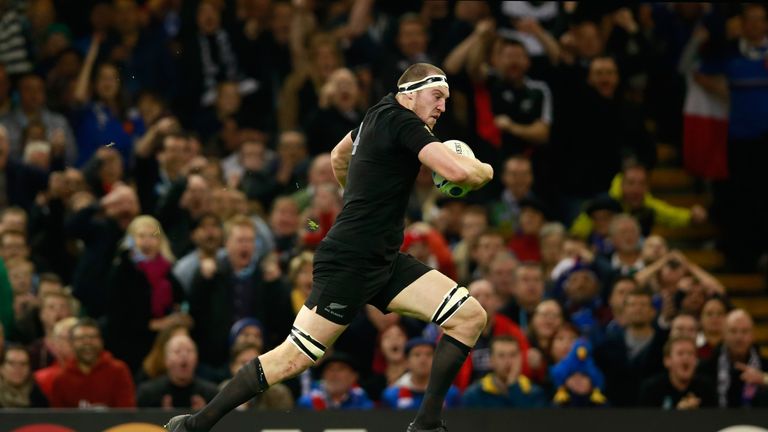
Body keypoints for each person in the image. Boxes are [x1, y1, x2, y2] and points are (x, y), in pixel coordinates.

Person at [165, 63, 493, 432]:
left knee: (468, 317)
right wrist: (484, 169)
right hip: (349, 262)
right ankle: (195, 424)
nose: (443, 107)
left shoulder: (376, 115)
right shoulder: (403, 122)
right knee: (295, 357)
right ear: (411, 93)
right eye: (437, 96)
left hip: (382, 259)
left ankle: (427, 424)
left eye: (447, 100)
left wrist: (354, 196)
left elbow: (339, 155)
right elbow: (461, 173)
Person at [49, 318, 136, 408]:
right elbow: (58, 418)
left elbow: (127, 413)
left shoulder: (118, 371)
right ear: (72, 343)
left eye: (93, 337)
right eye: (81, 338)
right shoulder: (61, 379)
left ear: (102, 341)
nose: (87, 343)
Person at [137, 334, 219, 408]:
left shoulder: (212, 395)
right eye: (177, 351)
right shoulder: (148, 394)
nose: (184, 355)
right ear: (166, 360)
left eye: (189, 351)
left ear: (196, 359)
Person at [462, 335, 546, 408]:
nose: (508, 362)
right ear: (491, 360)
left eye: (513, 355)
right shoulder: (474, 395)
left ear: (521, 358)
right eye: (501, 356)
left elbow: (528, 422)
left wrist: (513, 385)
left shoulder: (534, 393)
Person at [638, 336, 717, 409]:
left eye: (691, 353)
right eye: (680, 353)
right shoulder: (651, 389)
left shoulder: (706, 388)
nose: (686, 358)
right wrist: (678, 413)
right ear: (667, 360)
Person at [382, 338, 461, 410]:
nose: (423, 360)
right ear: (406, 362)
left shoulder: (450, 393)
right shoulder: (392, 395)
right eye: (417, 355)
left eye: (429, 354)